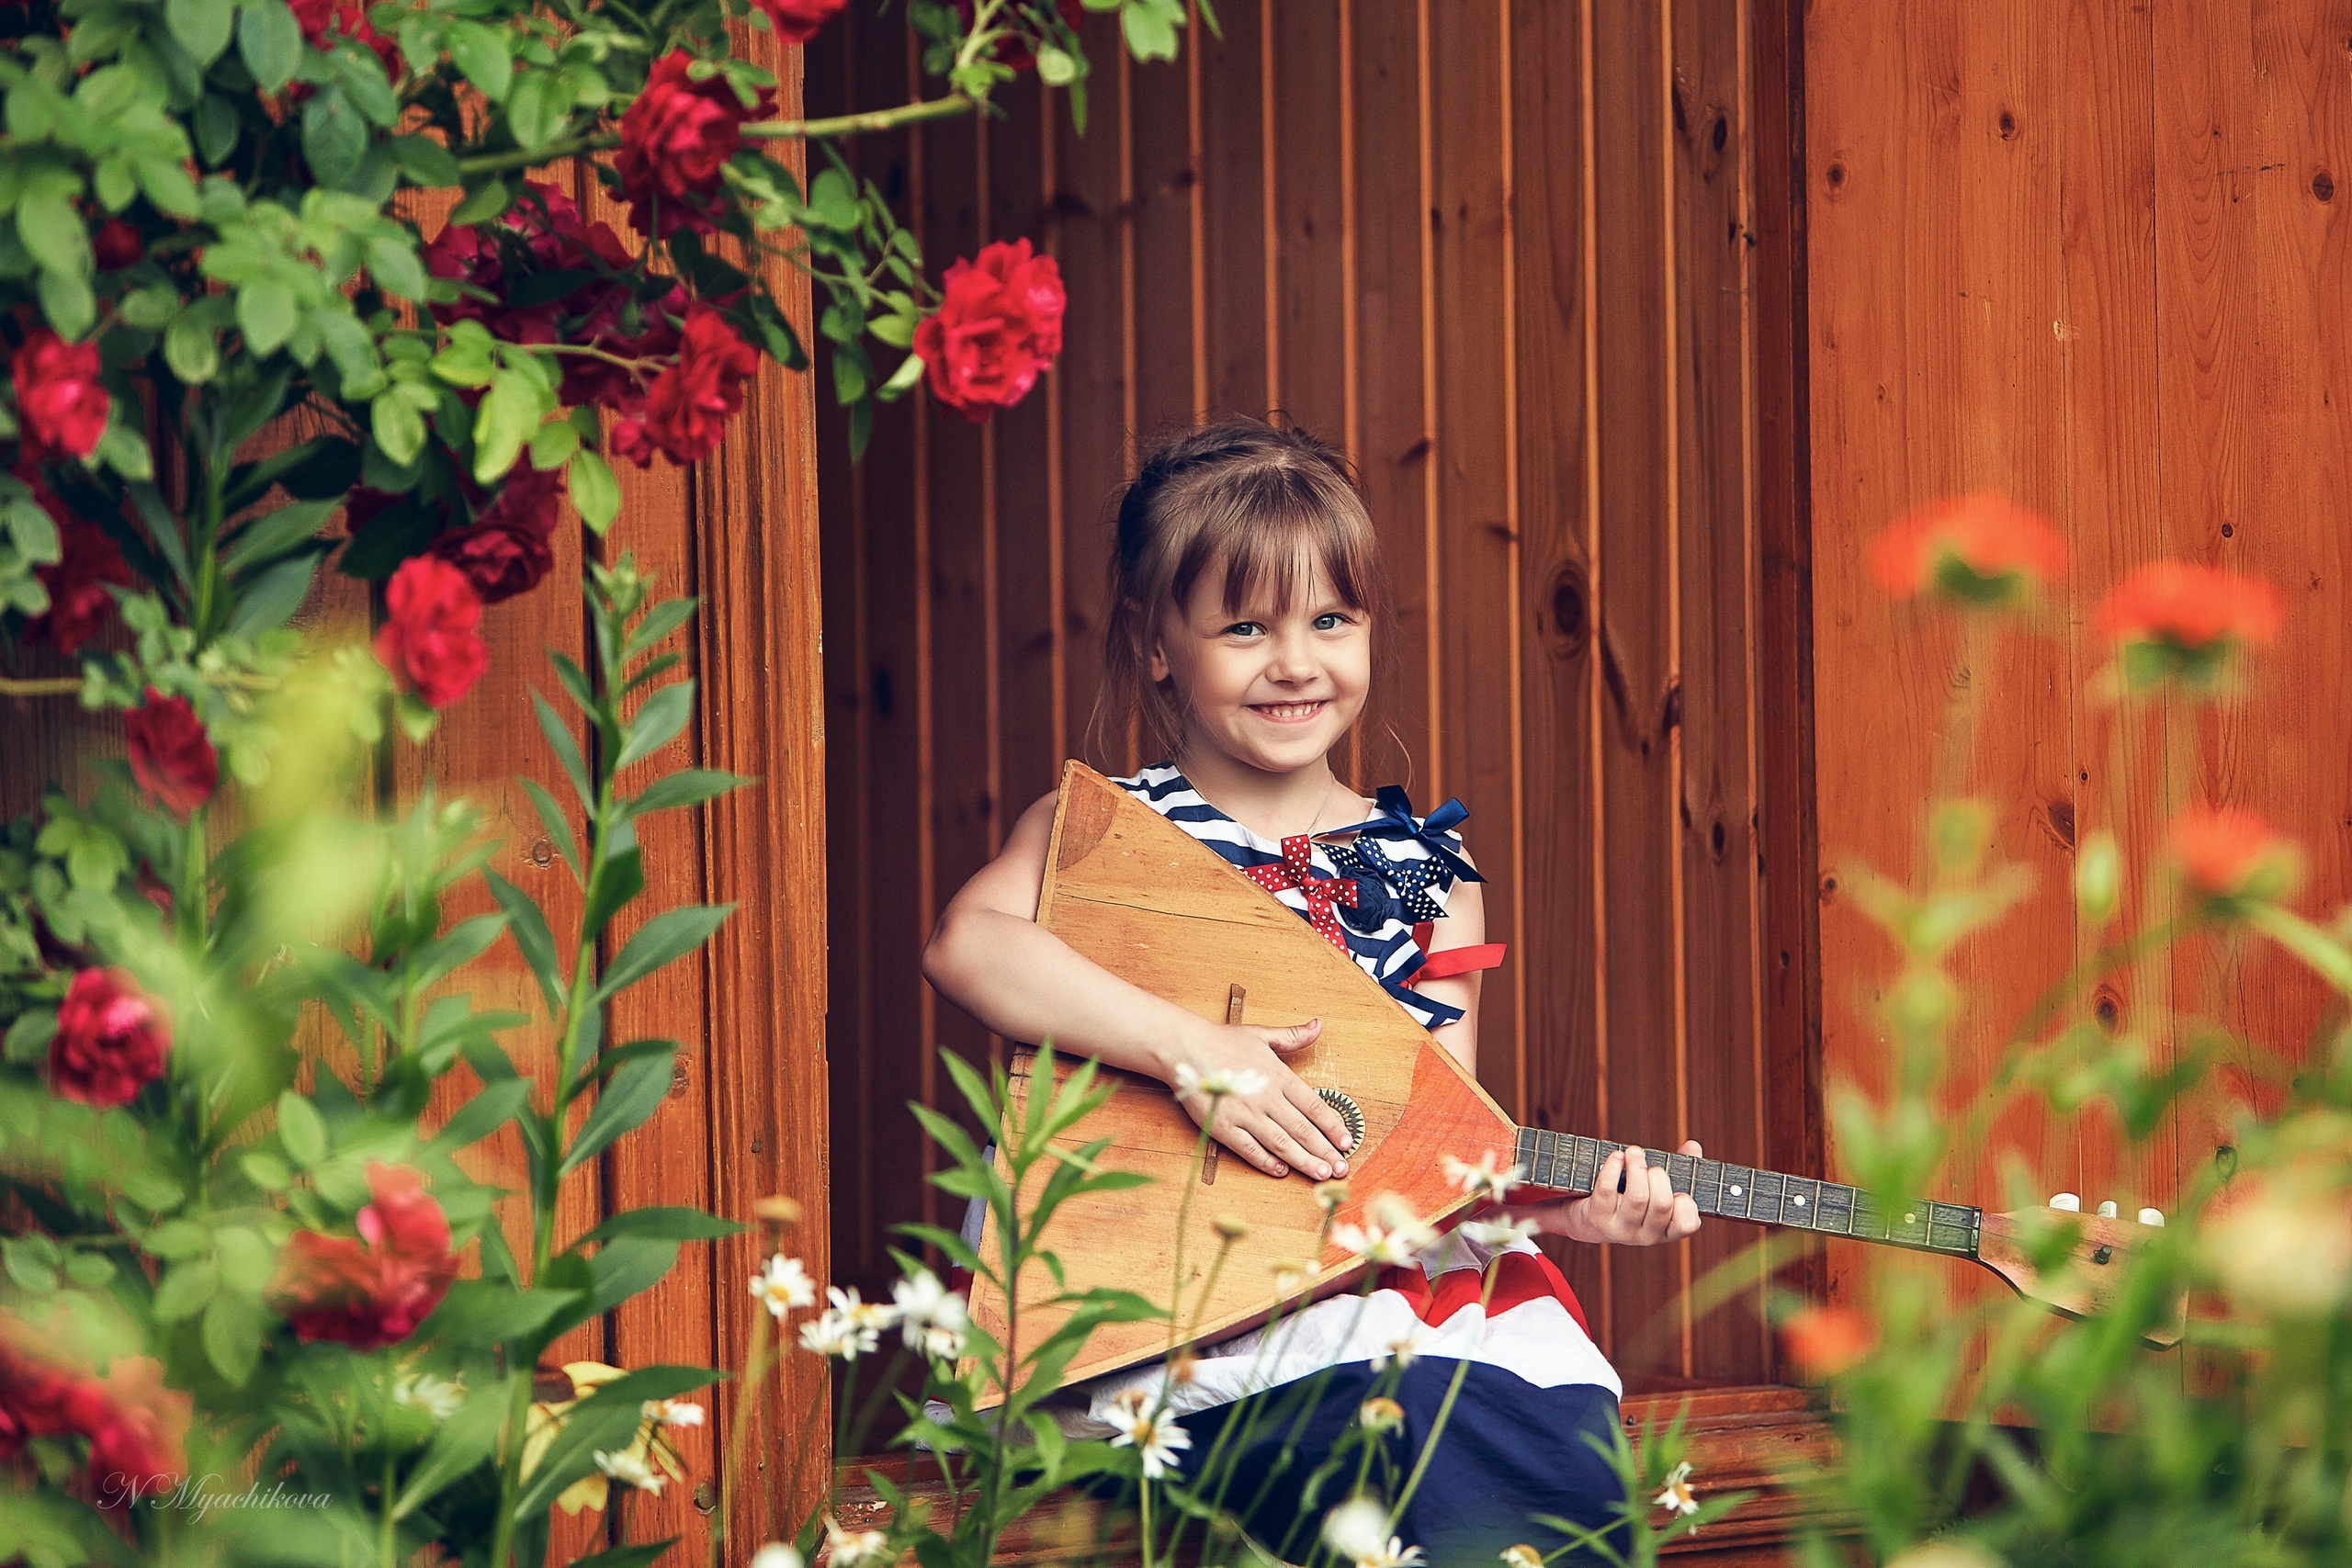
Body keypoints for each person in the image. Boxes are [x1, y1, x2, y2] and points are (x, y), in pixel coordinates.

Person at [922, 418, 1702, 1564]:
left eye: (1330, 621)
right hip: (1175, 1285)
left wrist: (1567, 1213)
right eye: (1245, 627)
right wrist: (1194, 1054)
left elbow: (1432, 1148)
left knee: (1522, 1469)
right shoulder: (1106, 834)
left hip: (1393, 1285)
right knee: (1374, 1455)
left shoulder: (1431, 873)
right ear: (1153, 644)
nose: (1297, 663)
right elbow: (970, 945)